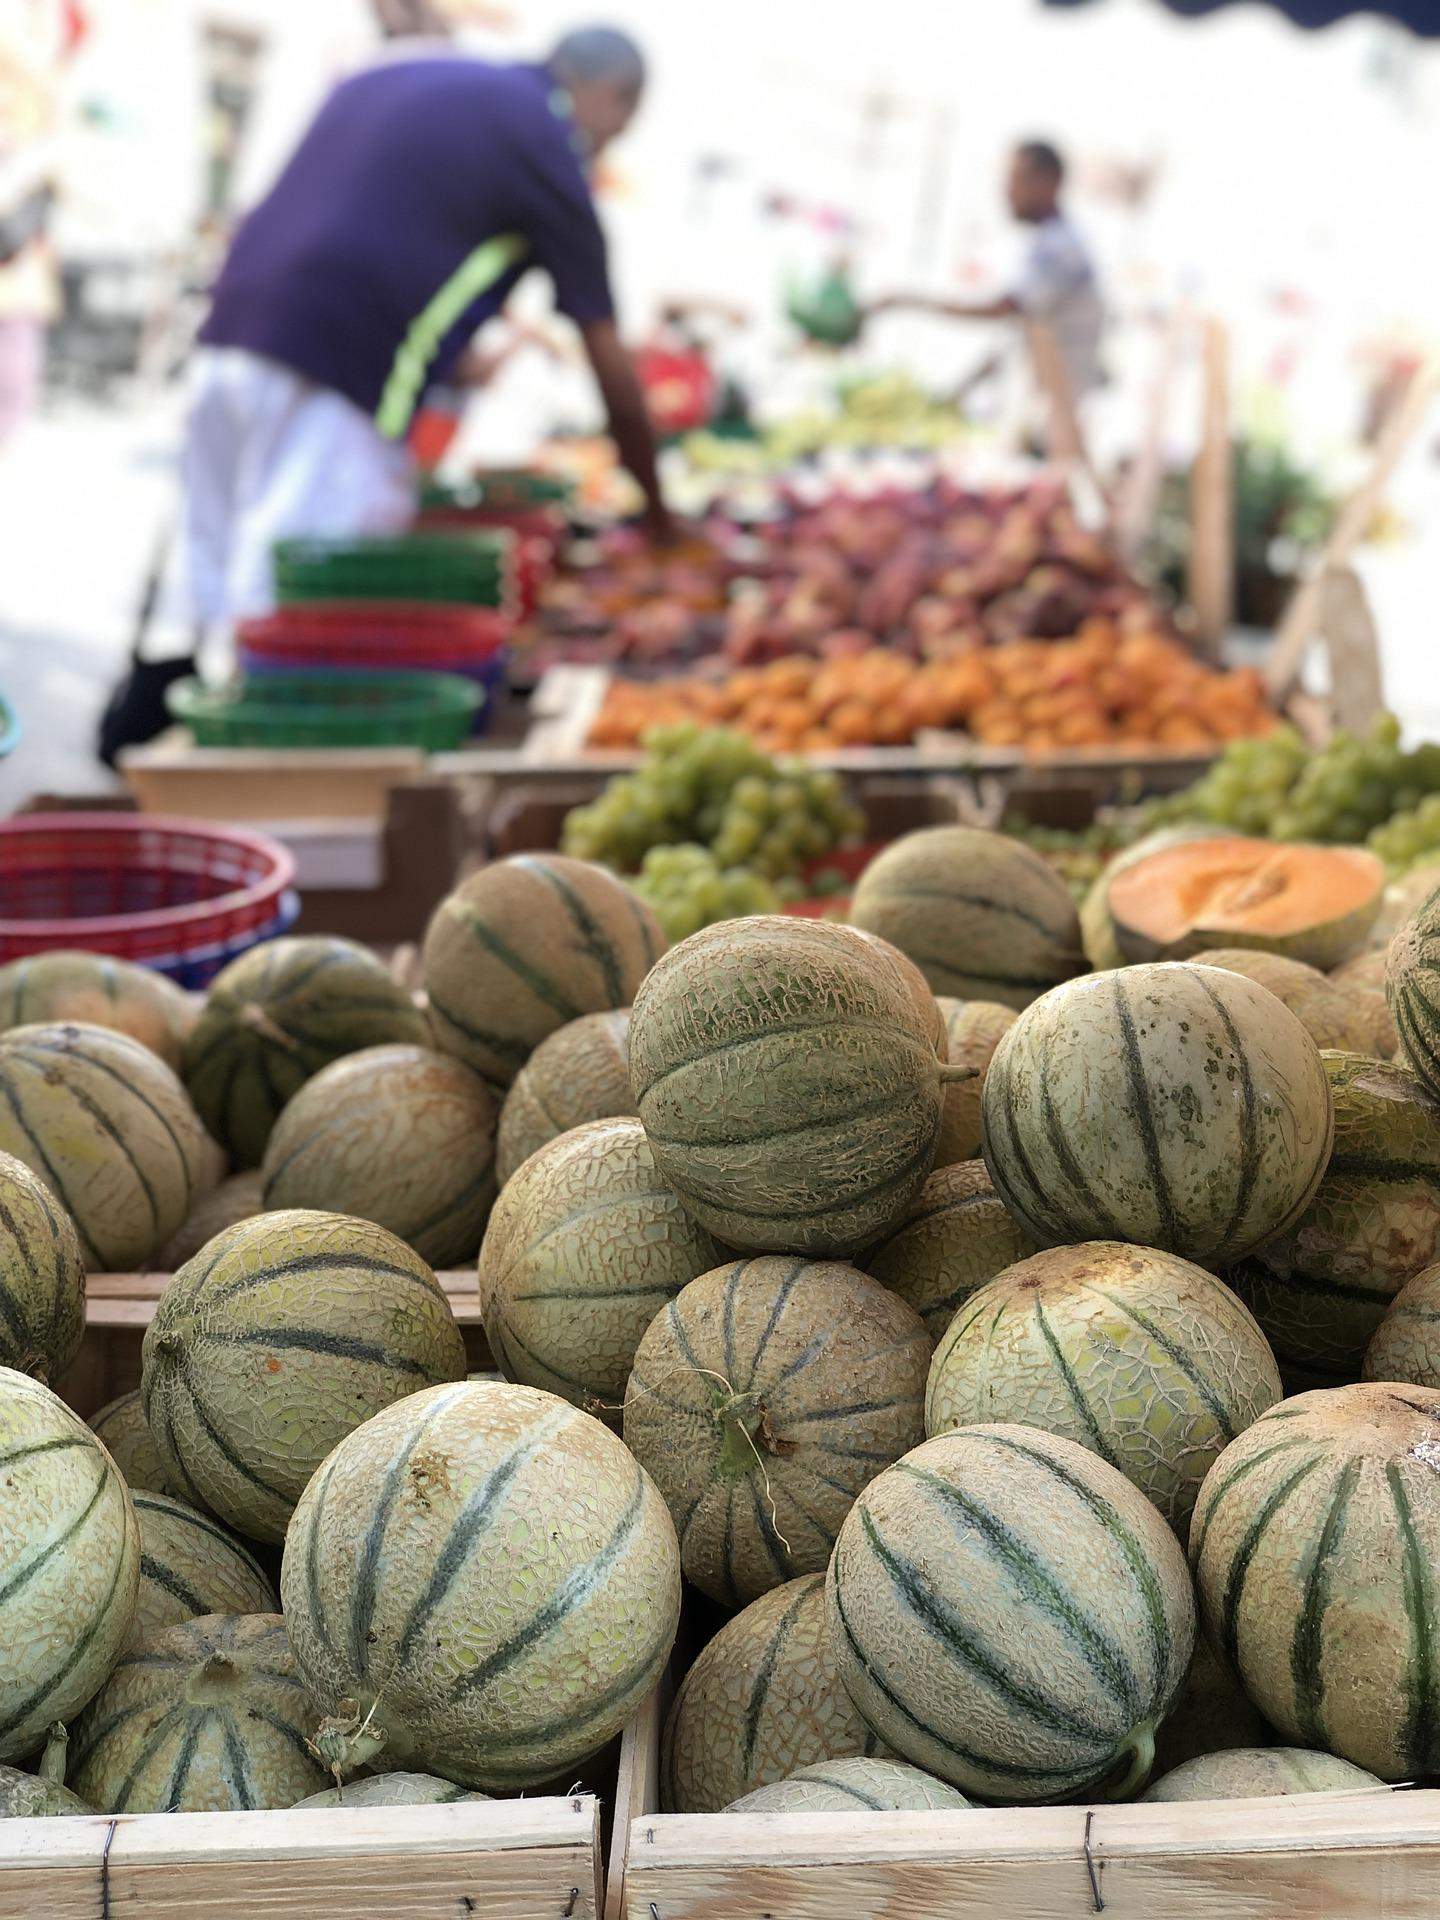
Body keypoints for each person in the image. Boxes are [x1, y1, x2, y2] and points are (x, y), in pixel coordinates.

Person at [163, 24, 671, 637]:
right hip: (341, 369)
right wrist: (660, 517)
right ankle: (228, 709)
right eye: (616, 129)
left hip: (232, 328)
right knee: (294, 594)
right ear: (612, 94)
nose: (605, 147)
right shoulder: (547, 141)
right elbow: (607, 357)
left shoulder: (407, 70)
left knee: (203, 573)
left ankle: (157, 705)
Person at [872, 140, 1105, 415]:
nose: (1008, 192)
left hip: (1059, 413)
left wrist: (907, 300)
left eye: (1017, 180)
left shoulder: (1060, 246)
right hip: (1042, 409)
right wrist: (958, 393)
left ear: (1048, 182)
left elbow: (1002, 309)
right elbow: (1018, 335)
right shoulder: (1046, 242)